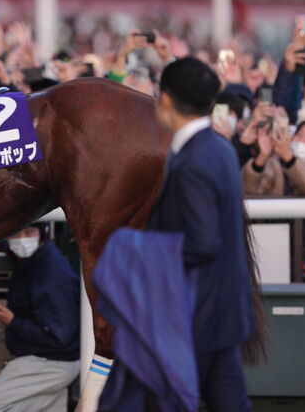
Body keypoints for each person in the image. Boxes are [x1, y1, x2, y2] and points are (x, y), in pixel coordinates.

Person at [101, 57, 254, 411]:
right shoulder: (219, 148)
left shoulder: (194, 160)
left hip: (193, 316)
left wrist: (132, 246)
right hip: (223, 311)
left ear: (165, 99)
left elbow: (201, 242)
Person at [0, 224, 80, 412]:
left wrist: (12, 321)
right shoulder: (35, 260)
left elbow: (58, 337)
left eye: (29, 231)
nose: (21, 238)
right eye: (16, 232)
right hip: (52, 362)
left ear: (41, 233)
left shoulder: (51, 275)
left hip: (51, 362)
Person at [242, 119, 305, 197]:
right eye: (298, 134)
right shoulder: (275, 166)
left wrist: (289, 158)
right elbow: (249, 188)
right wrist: (262, 157)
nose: (301, 139)